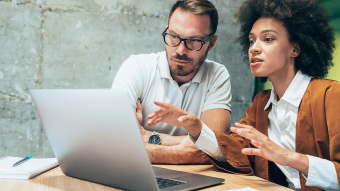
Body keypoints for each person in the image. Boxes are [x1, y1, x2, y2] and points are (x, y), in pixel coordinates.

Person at [146, 0, 340, 190]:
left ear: (295, 48)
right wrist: (196, 127)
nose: (254, 48)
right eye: (251, 40)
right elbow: (235, 151)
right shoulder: (261, 103)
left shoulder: (331, 96)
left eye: (268, 39)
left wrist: (288, 157)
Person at [112, 0, 232, 164]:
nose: (181, 50)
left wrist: (147, 136)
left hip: (194, 177)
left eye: (194, 41)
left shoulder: (217, 75)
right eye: (174, 37)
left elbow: (216, 147)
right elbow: (116, 143)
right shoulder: (137, 67)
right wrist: (180, 153)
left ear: (211, 43)